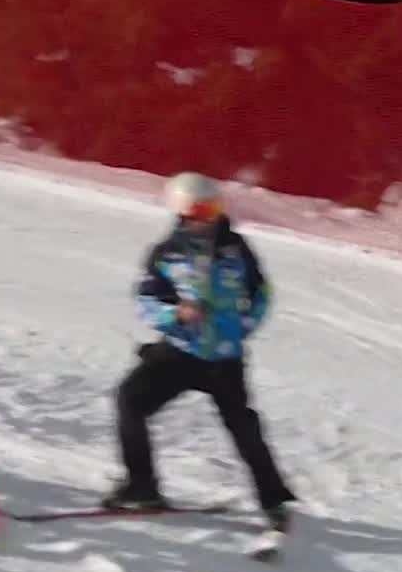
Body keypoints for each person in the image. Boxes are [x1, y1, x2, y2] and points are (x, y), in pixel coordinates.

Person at [103, 172, 296, 531]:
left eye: (216, 208)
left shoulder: (236, 249)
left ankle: (274, 499)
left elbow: (261, 293)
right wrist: (173, 313)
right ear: (183, 212)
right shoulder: (167, 253)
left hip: (224, 358)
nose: (213, 217)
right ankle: (142, 486)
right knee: (130, 400)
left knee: (243, 426)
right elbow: (146, 299)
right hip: (179, 352)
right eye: (204, 210)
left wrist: (243, 326)